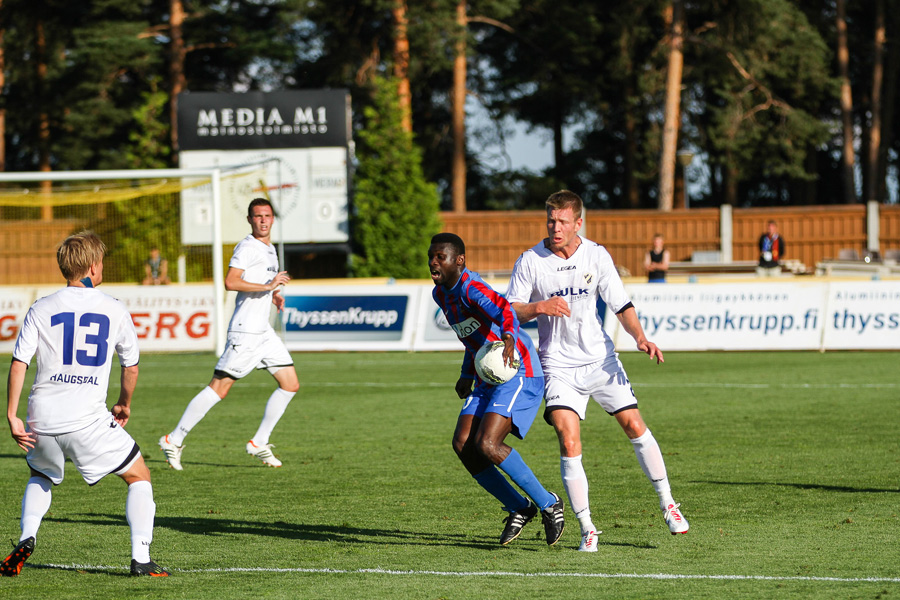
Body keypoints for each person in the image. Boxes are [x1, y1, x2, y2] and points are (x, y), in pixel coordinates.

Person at [505, 190, 688, 553]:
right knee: (568, 439)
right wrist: (540, 306)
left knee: (635, 426)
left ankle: (668, 503)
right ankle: (587, 527)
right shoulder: (530, 261)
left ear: (578, 223)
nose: (555, 228)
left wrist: (640, 337)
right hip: (557, 365)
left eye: (562, 222)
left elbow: (620, 303)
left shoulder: (597, 254)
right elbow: (511, 310)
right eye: (550, 221)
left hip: (599, 360)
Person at [2, 231, 168, 577]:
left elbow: (19, 363)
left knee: (40, 474)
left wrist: (12, 415)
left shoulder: (41, 307)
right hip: (87, 420)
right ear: (93, 267)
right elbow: (131, 366)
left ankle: (26, 536)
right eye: (102, 261)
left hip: (41, 418)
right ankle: (141, 558)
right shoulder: (114, 308)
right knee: (139, 475)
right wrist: (124, 402)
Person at [428, 232, 565, 547]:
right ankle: (520, 506)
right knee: (464, 444)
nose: (434, 262)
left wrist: (507, 335)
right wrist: (466, 372)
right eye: (431, 257)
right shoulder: (440, 294)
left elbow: (505, 309)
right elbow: (471, 336)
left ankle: (548, 503)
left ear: (459, 260)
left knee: (488, 444)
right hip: (487, 374)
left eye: (441, 257)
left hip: (517, 370)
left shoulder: (471, 287)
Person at [159, 198, 298, 470]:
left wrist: (275, 295)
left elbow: (262, 285)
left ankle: (259, 442)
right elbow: (231, 281)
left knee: (290, 384)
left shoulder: (270, 249)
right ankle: (173, 439)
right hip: (245, 332)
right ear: (249, 219)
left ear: (273, 218)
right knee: (219, 389)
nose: (263, 220)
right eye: (257, 216)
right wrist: (269, 285)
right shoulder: (247, 247)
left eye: (267, 215)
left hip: (263, 332)